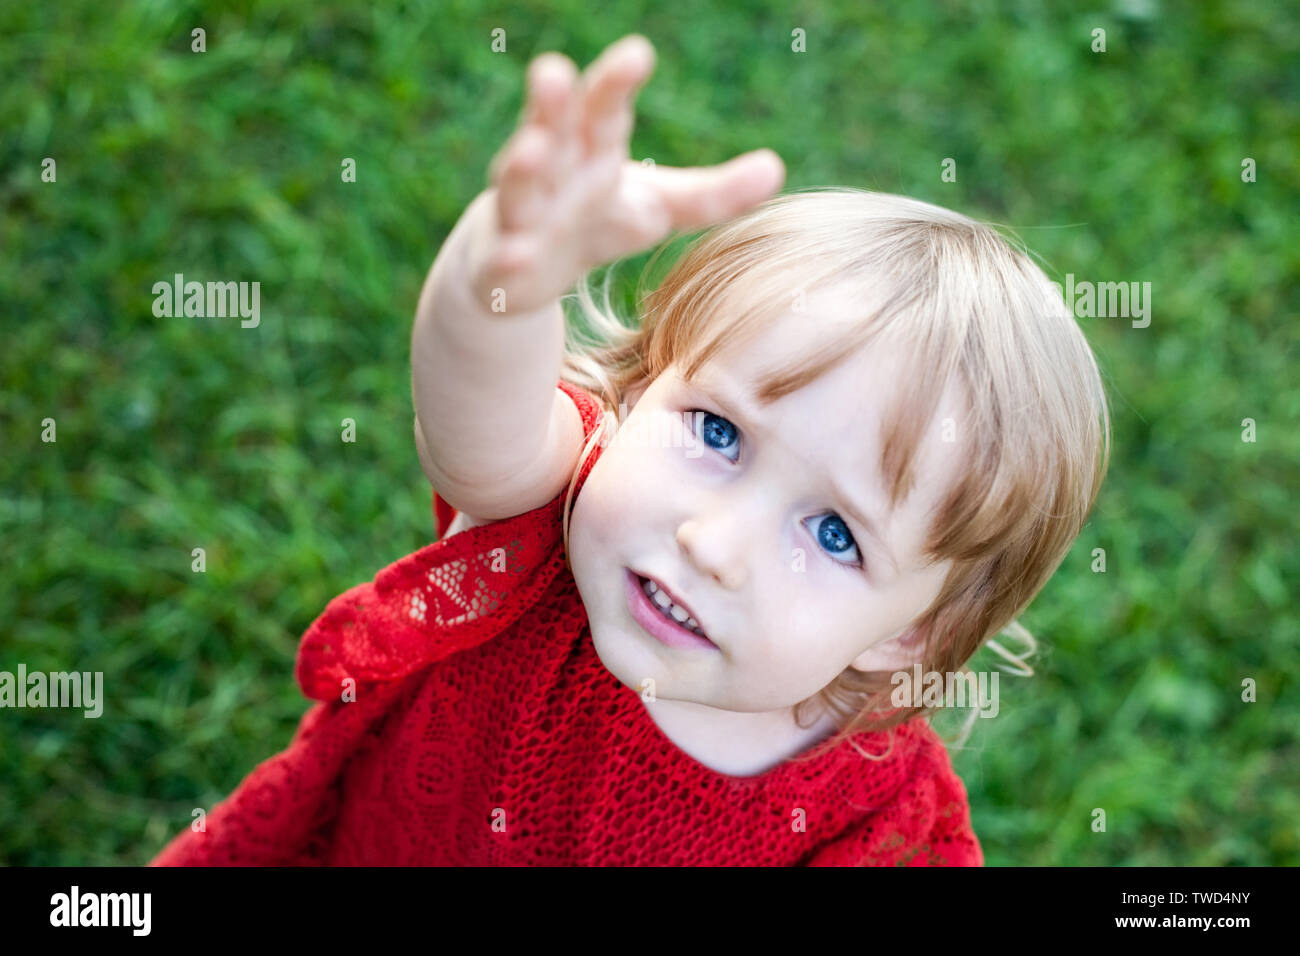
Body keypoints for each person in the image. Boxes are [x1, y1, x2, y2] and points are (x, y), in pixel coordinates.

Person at [151, 34, 1109, 866]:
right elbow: (474, 421)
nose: (714, 543)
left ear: (910, 635)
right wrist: (504, 274)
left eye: (833, 535)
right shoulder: (551, 523)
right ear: (643, 390)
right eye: (719, 432)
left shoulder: (871, 818)